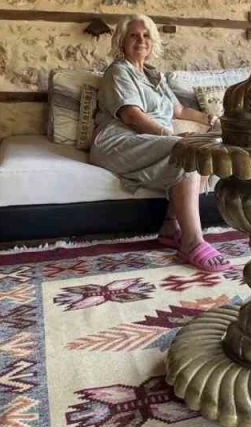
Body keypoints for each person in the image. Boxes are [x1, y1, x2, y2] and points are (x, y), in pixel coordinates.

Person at [90, 14, 228, 270]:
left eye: (146, 36)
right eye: (133, 35)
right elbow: (132, 116)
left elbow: (178, 110)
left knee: (207, 148)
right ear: (121, 42)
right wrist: (170, 136)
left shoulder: (154, 76)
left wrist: (212, 120)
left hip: (149, 138)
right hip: (119, 140)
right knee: (187, 150)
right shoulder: (118, 71)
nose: (141, 40)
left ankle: (170, 226)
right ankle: (192, 242)